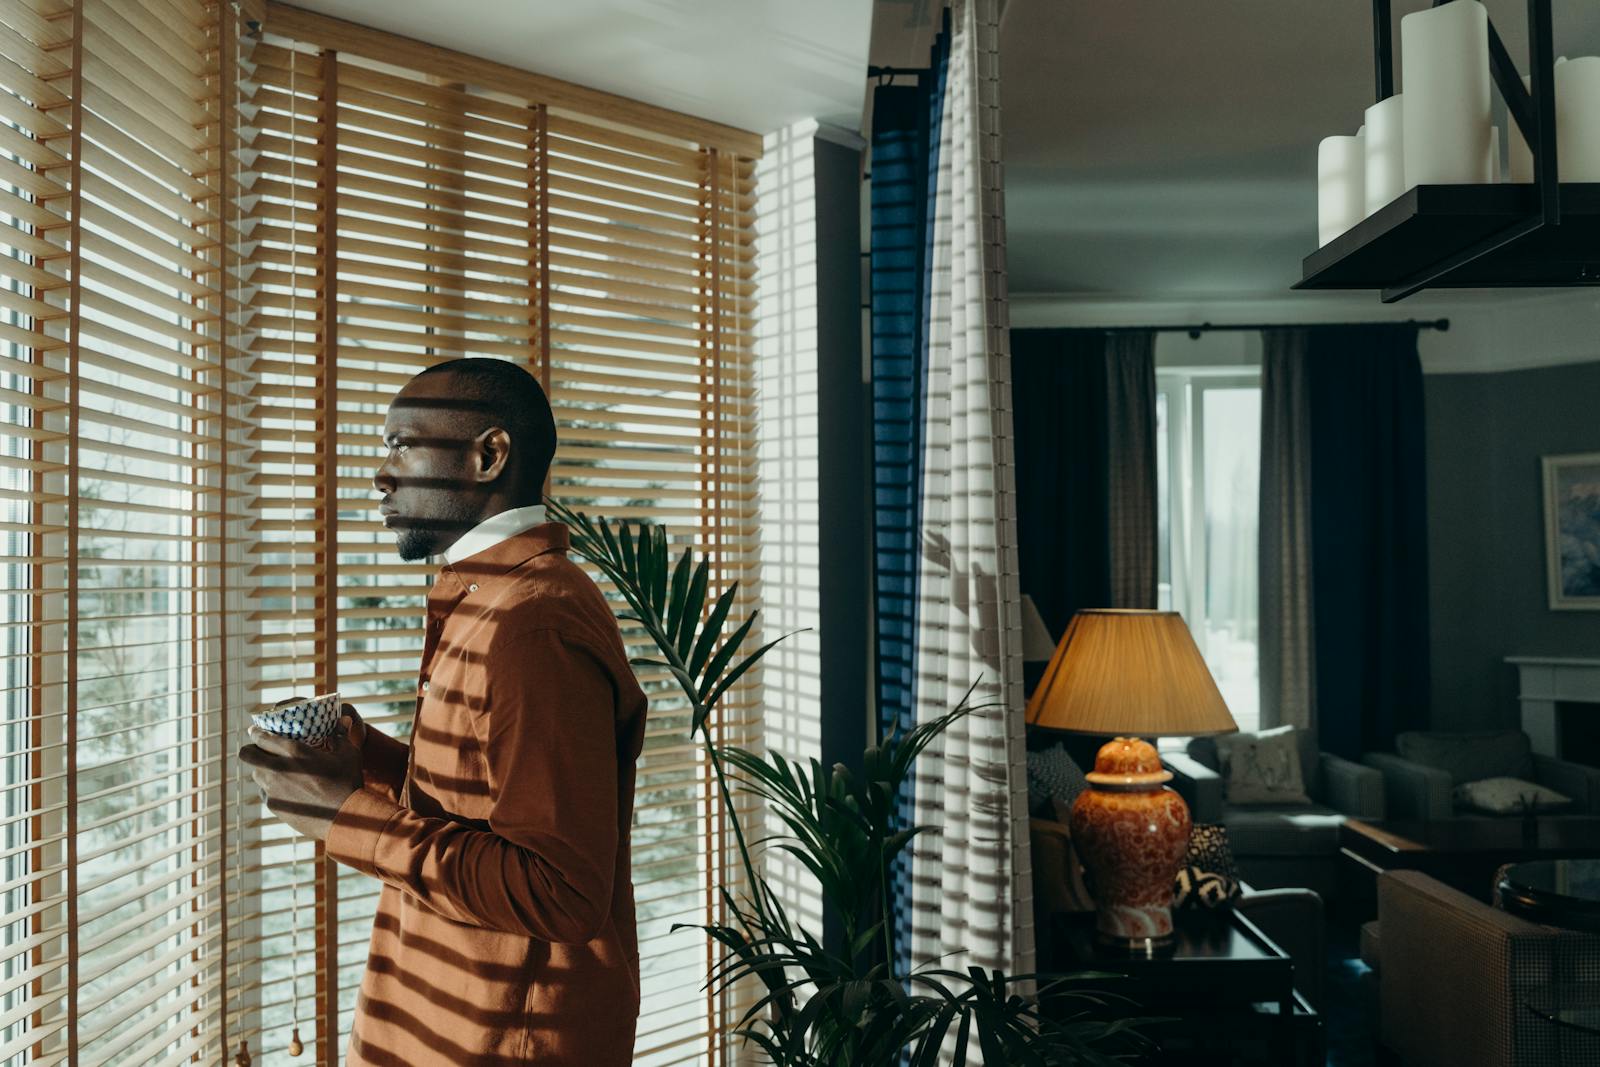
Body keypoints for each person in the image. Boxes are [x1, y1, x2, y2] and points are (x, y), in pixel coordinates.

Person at [240, 358, 647, 1064]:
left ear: (489, 455)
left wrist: (348, 817)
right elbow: (489, 803)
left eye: (402, 444)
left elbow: (561, 890)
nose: (380, 474)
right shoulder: (492, 600)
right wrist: (363, 755)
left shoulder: (532, 623)